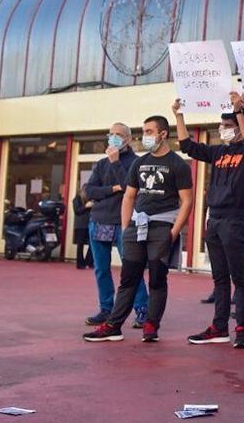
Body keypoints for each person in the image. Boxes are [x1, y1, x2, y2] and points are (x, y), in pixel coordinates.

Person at [83, 115, 193, 343]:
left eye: (150, 132)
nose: (146, 137)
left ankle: (151, 324)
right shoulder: (139, 163)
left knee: (157, 280)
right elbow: (129, 196)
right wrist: (126, 227)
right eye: (144, 132)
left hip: (162, 227)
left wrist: (174, 232)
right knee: (128, 279)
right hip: (136, 226)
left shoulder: (177, 164)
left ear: (163, 134)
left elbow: (187, 201)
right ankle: (113, 325)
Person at [174, 96, 244, 348]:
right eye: (221, 125)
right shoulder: (218, 152)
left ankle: (242, 329)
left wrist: (240, 112)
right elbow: (187, 146)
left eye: (228, 125)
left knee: (238, 277)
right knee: (220, 278)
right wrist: (179, 115)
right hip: (215, 220)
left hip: (234, 220)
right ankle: (219, 327)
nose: (223, 129)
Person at [81, 123, 148, 328]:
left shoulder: (136, 163)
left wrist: (117, 164)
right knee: (101, 269)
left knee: (131, 268)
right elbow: (89, 190)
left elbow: (131, 189)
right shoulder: (101, 164)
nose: (114, 138)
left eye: (119, 135)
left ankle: (142, 310)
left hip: (124, 223)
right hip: (99, 220)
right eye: (111, 134)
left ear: (128, 139)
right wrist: (113, 188)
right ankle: (106, 309)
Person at [72, 190, 93, 270]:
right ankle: (80, 263)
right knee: (80, 245)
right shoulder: (76, 199)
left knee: (92, 244)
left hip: (89, 223)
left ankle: (89, 261)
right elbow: (77, 211)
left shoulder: (90, 199)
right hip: (80, 225)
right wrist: (85, 206)